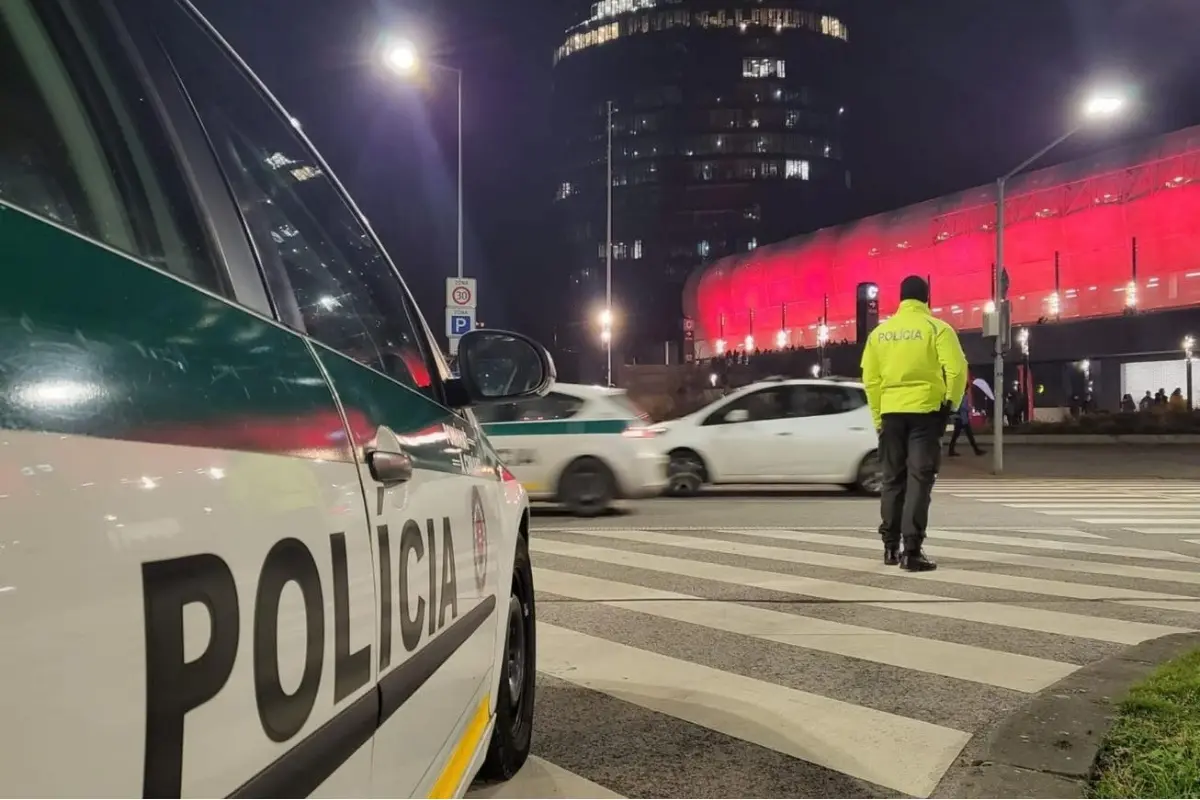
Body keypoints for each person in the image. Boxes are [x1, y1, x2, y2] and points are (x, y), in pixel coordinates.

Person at [860, 275, 968, 572]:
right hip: (926, 414)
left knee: (892, 479)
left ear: (901, 299)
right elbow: (957, 371)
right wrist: (951, 405)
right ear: (927, 298)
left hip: (891, 415)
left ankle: (890, 547)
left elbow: (870, 380)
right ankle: (912, 550)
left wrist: (878, 418)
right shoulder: (937, 329)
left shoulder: (880, 334)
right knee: (919, 480)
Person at [947, 386, 985, 457]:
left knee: (961, 436)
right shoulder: (962, 396)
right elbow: (962, 407)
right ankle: (976, 451)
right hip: (962, 419)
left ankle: (951, 451)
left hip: (962, 419)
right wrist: (969, 408)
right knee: (963, 436)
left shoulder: (960, 395)